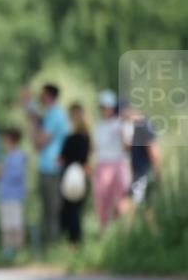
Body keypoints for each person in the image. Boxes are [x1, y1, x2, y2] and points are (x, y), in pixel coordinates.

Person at [27, 84, 70, 244]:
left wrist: (32, 126)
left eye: (42, 94)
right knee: (48, 208)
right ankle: (52, 242)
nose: (40, 97)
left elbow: (39, 143)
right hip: (48, 166)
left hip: (52, 167)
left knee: (52, 208)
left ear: (49, 95)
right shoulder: (51, 114)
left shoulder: (55, 115)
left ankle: (54, 242)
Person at [91, 90, 128, 230]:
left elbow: (126, 146)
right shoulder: (99, 126)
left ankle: (121, 230)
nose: (104, 109)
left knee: (121, 200)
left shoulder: (120, 124)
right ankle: (104, 229)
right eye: (102, 106)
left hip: (118, 164)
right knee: (102, 200)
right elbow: (94, 148)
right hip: (102, 165)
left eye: (106, 106)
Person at [120, 107, 162, 222]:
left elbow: (154, 152)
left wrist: (157, 174)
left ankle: (124, 236)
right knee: (147, 209)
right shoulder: (138, 127)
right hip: (140, 172)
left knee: (130, 205)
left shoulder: (143, 126)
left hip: (143, 173)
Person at [59, 104, 91, 246]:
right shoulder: (86, 137)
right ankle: (77, 240)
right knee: (77, 211)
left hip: (69, 177)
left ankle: (72, 241)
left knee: (69, 211)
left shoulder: (70, 138)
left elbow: (61, 158)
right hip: (82, 176)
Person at [0, 128, 26, 259]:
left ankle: (18, 249)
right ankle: (7, 249)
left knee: (15, 223)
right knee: (6, 223)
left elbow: (16, 175)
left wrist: (1, 173)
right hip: (5, 195)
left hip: (15, 195)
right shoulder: (6, 156)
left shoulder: (18, 156)